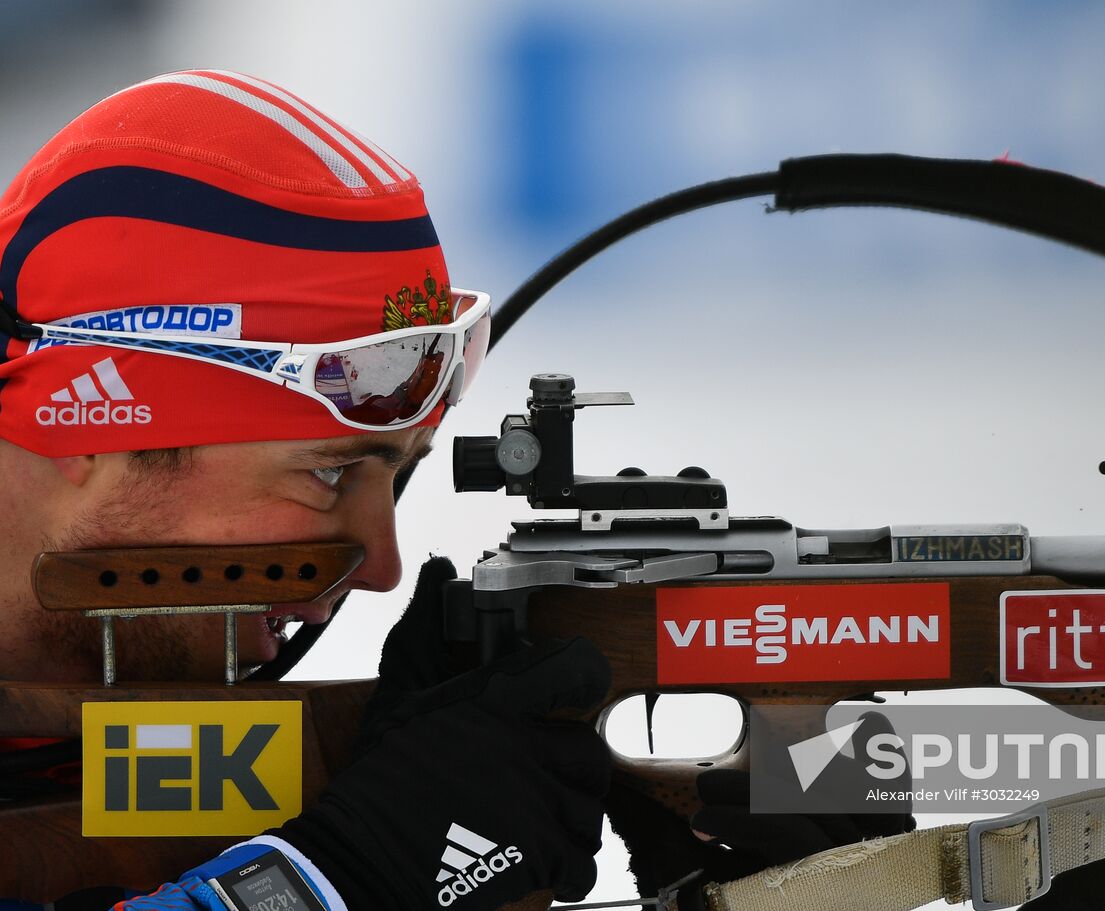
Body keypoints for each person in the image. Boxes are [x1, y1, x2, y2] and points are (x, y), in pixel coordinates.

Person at [0, 71, 910, 911]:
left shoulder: (134, 743)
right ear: (96, 422)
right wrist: (340, 876)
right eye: (328, 471)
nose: (383, 566)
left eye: (398, 472)